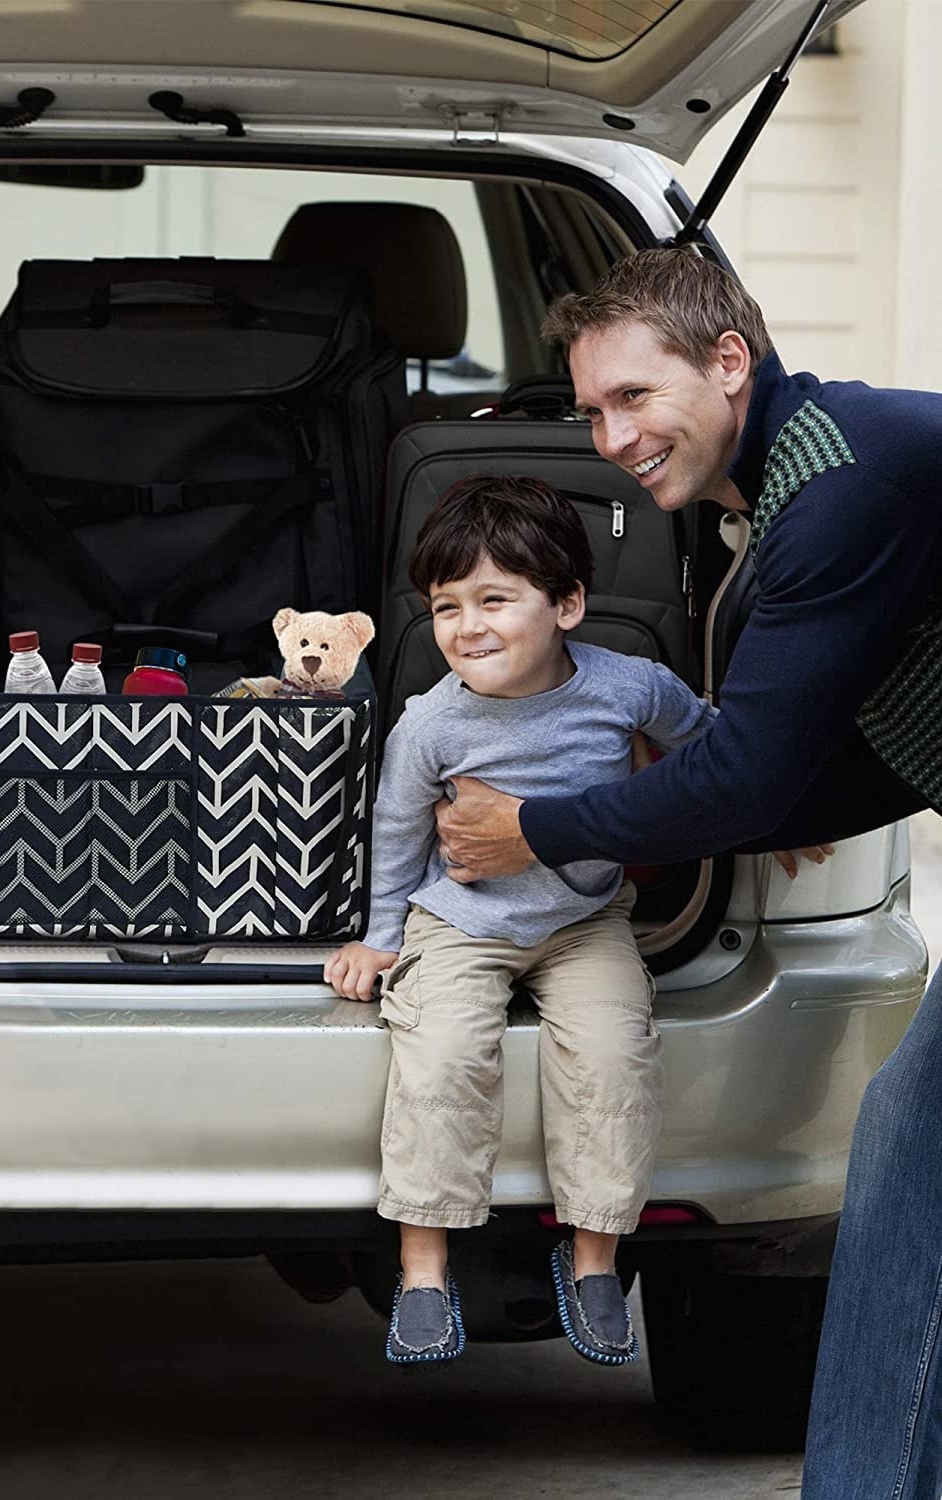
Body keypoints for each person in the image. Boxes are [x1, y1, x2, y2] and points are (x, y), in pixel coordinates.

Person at [431, 249, 941, 1498]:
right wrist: (772, 795)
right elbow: (847, 752)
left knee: (914, 1164)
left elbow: (749, 783)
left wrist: (533, 830)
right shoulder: (811, 471)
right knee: (910, 1152)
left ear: (729, 362)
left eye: (632, 399)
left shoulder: (838, 492)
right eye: (591, 410)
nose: (609, 438)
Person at [324, 473, 717, 1365]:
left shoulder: (630, 687)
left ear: (568, 603)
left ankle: (595, 1261)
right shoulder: (429, 724)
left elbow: (707, 741)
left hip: (586, 920)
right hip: (461, 918)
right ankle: (423, 1273)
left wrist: (776, 815)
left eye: (495, 599)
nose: (468, 626)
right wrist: (382, 938)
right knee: (443, 1058)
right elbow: (392, 834)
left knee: (615, 1055)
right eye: (447, 606)